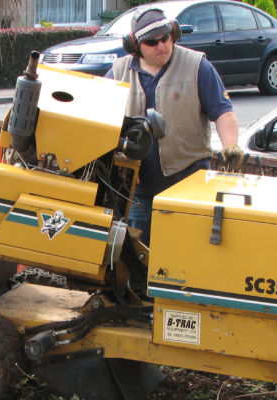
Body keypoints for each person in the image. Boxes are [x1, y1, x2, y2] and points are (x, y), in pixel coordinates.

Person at [105, 7, 244, 246]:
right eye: (152, 42)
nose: (162, 46)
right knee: (139, 261)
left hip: (188, 187)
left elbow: (223, 112)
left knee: (186, 254)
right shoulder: (119, 72)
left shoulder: (197, 66)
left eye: (165, 38)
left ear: (174, 34)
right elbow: (98, 115)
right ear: (135, 45)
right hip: (137, 192)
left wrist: (231, 144)